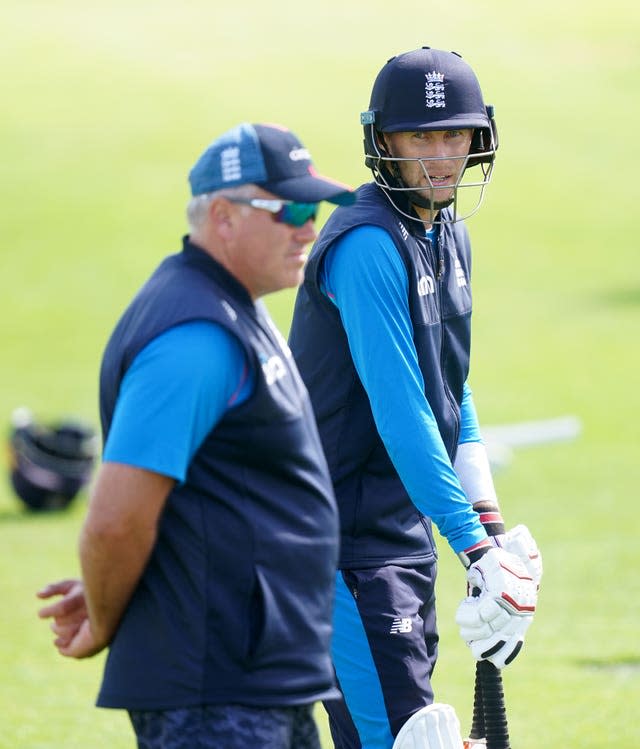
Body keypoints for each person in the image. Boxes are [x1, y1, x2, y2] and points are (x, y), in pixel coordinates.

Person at [37, 122, 356, 749]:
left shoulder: (233, 311)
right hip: (217, 695)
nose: (309, 227)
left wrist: (129, 584)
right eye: (288, 208)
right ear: (223, 216)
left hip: (258, 681)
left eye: (313, 207)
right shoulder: (194, 339)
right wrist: (105, 615)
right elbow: (114, 520)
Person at [288, 47, 542, 749]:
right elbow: (401, 411)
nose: (439, 155)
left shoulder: (449, 234)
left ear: (478, 139)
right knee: (404, 740)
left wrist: (486, 528)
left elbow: (452, 387)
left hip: (397, 534)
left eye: (453, 135)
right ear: (383, 144)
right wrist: (475, 549)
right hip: (338, 543)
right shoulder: (369, 245)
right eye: (419, 137)